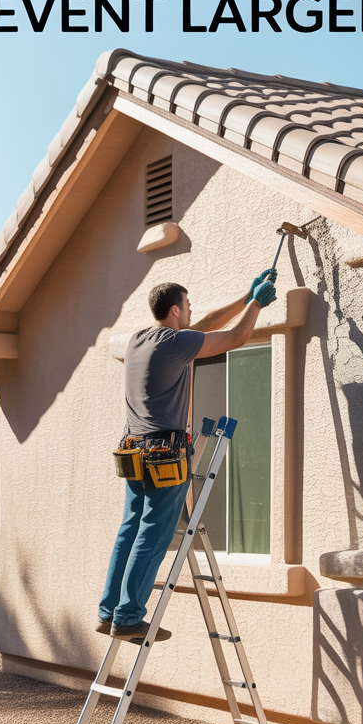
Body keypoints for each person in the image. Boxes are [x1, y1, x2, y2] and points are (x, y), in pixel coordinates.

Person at [97, 270, 278, 642]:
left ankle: (108, 611)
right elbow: (235, 337)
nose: (192, 310)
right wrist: (258, 304)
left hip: (134, 449)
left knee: (130, 527)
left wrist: (245, 296)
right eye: (189, 306)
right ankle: (129, 616)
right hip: (164, 453)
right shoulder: (173, 344)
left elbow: (205, 327)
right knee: (154, 532)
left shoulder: (139, 341)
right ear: (177, 310)